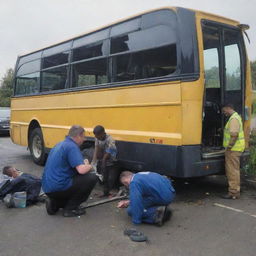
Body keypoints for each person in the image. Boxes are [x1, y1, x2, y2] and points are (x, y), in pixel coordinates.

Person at [42, 125, 98, 217]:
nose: (84, 139)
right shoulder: (72, 146)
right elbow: (81, 170)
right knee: (91, 178)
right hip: (58, 186)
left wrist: (84, 165)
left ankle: (55, 203)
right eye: (83, 137)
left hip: (47, 188)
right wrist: (91, 166)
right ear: (78, 136)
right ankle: (70, 209)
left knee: (74, 180)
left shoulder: (59, 144)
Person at [222, 104, 245, 199]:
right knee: (234, 170)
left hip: (233, 150)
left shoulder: (233, 119)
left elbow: (234, 135)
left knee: (232, 171)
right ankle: (235, 190)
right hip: (236, 149)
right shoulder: (236, 117)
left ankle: (233, 192)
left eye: (224, 111)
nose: (224, 113)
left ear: (228, 108)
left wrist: (229, 147)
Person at [91, 125, 119, 197]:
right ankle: (105, 192)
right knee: (104, 178)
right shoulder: (97, 138)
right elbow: (96, 149)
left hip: (112, 162)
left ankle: (111, 191)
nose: (97, 137)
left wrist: (103, 161)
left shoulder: (110, 139)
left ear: (103, 133)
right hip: (103, 161)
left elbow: (110, 151)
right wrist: (93, 162)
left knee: (111, 178)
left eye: (98, 136)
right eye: (96, 136)